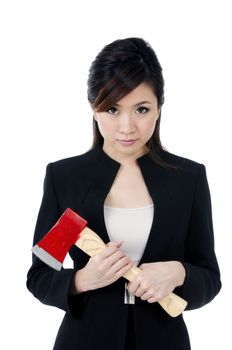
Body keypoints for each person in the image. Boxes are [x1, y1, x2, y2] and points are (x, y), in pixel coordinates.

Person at [26, 37, 221, 350]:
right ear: (94, 108)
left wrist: (178, 272)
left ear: (159, 109)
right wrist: (82, 280)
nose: (127, 127)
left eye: (141, 109)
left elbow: (210, 280)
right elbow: (39, 276)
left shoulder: (188, 179)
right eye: (113, 109)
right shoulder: (65, 178)